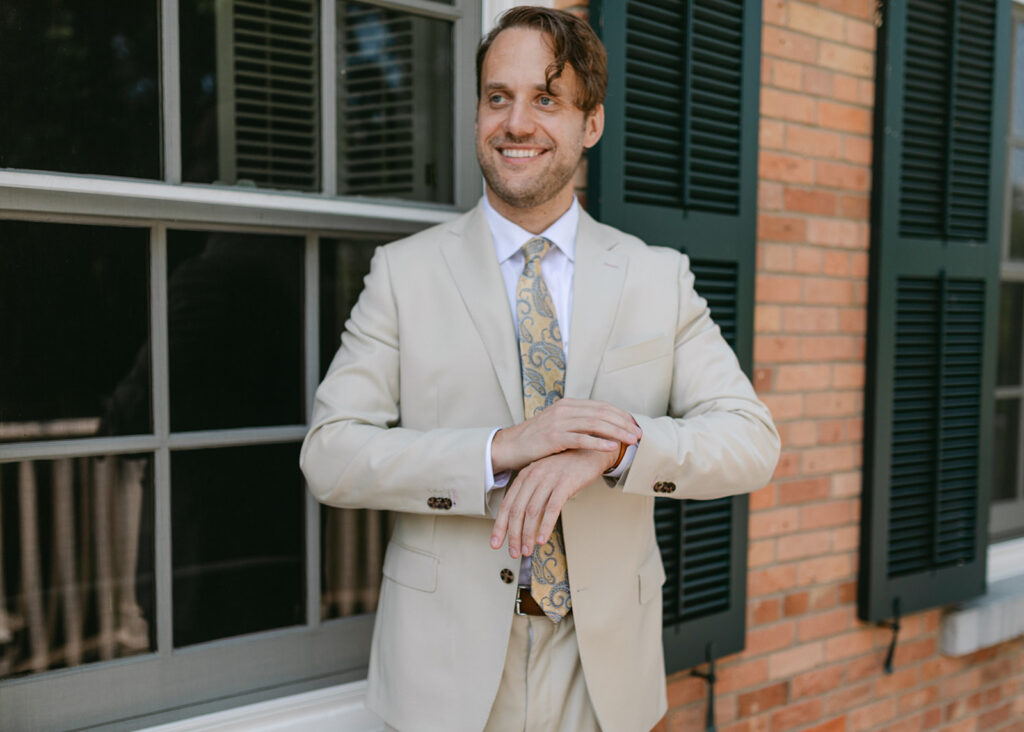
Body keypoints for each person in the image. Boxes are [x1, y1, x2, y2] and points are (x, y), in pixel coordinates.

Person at [300, 7, 780, 731]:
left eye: (546, 98)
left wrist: (617, 448)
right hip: (447, 671)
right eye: (499, 97)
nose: (516, 122)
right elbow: (329, 455)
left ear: (592, 124)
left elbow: (751, 441)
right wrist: (499, 449)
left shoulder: (658, 277)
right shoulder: (403, 274)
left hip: (603, 669)